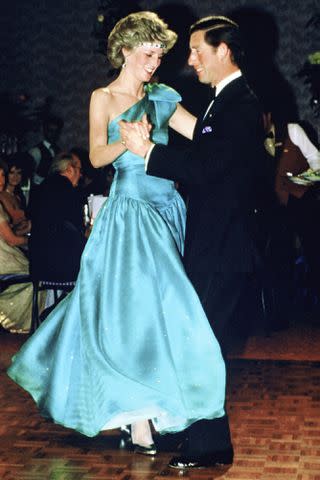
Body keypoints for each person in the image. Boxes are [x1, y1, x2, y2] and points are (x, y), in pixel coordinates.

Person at [7, 11, 226, 460]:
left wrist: (228, 123)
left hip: (168, 208)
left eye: (160, 56)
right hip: (130, 213)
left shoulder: (163, 96)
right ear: (125, 50)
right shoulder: (103, 98)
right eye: (148, 55)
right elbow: (95, 156)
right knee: (136, 314)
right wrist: (127, 143)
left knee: (153, 318)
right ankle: (141, 418)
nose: (154, 64)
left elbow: (203, 134)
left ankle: (145, 413)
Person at [120, 14, 271, 468]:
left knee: (202, 343)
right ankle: (205, 437)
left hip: (226, 247)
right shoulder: (221, 102)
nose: (190, 60)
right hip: (216, 244)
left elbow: (207, 170)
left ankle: (208, 444)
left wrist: (147, 152)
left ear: (223, 50)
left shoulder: (239, 105)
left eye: (196, 51)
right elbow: (204, 149)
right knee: (201, 342)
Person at [0, 160, 44, 333]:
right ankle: (28, 326)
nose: (1, 180)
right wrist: (33, 239)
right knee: (39, 275)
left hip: (6, 253)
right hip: (3, 259)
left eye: (2, 175)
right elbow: (11, 239)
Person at [29, 152, 86, 283]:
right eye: (79, 170)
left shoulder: (40, 187)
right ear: (70, 169)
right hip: (62, 266)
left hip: (39, 266)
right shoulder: (68, 189)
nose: (81, 175)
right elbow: (77, 226)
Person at [28, 115, 63, 185]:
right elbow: (30, 176)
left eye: (56, 131)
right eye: (51, 131)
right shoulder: (36, 151)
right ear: (45, 131)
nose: (53, 134)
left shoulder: (59, 151)